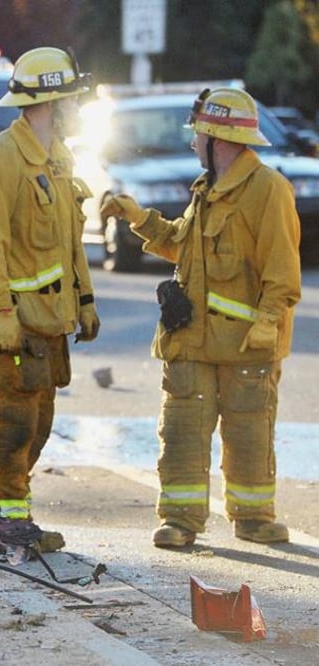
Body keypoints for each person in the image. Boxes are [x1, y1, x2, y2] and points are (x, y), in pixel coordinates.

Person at [101, 87, 301, 548]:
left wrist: (268, 320)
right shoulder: (206, 191)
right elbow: (182, 247)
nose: (192, 143)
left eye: (199, 135)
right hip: (191, 340)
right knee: (182, 432)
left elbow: (282, 272)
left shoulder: (268, 191)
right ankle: (180, 521)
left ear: (219, 139)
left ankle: (253, 517)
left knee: (249, 432)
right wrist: (139, 219)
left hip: (245, 345)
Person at [0, 47, 100, 553]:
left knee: (38, 426)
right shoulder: (0, 160)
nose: (77, 109)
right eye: (72, 100)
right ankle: (1, 529)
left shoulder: (57, 161)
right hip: (13, 325)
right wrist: (0, 312)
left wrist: (84, 300)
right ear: (51, 103)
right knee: (9, 427)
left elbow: (70, 242)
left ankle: (9, 521)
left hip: (48, 325)